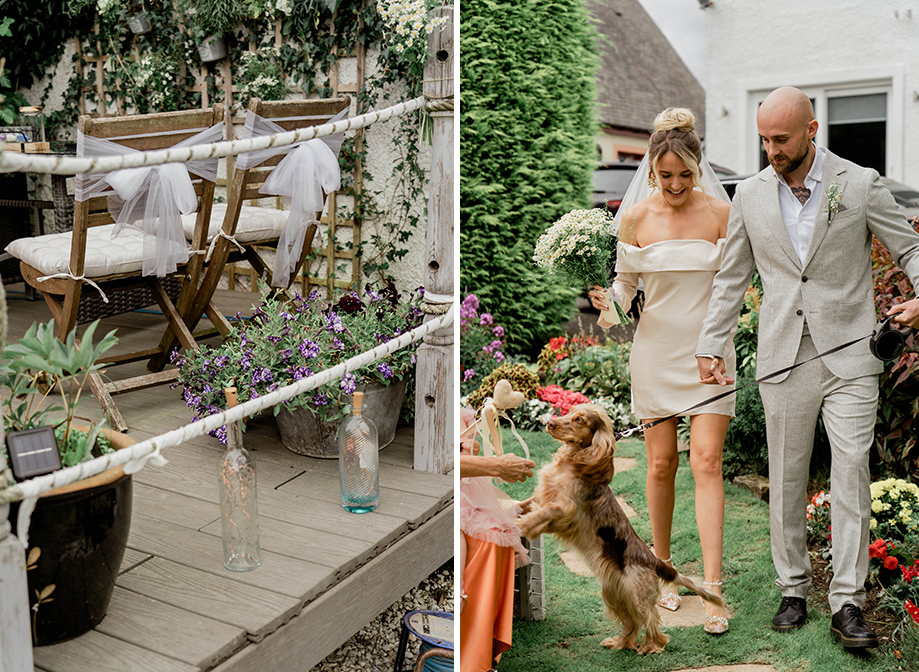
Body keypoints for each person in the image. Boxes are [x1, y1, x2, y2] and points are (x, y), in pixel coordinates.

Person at [696, 86, 919, 649]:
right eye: (764, 139)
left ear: (812, 130)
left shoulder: (860, 184)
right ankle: (792, 587)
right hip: (781, 358)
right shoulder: (747, 194)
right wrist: (709, 346)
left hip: (850, 355)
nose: (771, 149)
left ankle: (848, 603)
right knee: (788, 476)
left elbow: (910, 250)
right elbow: (730, 279)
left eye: (782, 138)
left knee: (850, 475)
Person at [589, 107, 734, 635]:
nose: (674, 185)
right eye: (665, 175)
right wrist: (610, 302)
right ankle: (666, 574)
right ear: (651, 170)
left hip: (710, 355)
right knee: (658, 465)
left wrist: (717, 342)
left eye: (684, 175)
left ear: (698, 168)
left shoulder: (722, 214)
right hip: (655, 352)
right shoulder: (635, 219)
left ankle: (713, 588)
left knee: (709, 461)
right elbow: (627, 287)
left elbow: (735, 285)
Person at [459, 406, 535, 672]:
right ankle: (468, 657)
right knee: (485, 543)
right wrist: (496, 466)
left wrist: (515, 507)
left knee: (498, 535)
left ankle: (482, 653)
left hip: (468, 497)